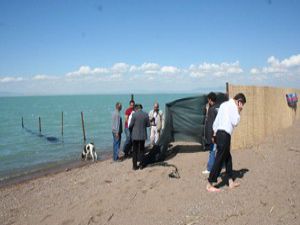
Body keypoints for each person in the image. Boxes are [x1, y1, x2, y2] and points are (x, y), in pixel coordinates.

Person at [206, 93, 246, 192]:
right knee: (220, 158)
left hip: (219, 133)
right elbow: (235, 122)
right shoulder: (233, 106)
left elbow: (216, 121)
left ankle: (230, 181)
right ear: (239, 101)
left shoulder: (223, 105)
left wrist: (214, 134)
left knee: (228, 158)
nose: (242, 106)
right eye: (242, 104)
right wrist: (239, 111)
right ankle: (209, 183)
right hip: (225, 135)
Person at [129, 104, 150, 170]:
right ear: (141, 108)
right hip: (142, 135)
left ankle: (134, 166)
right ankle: (141, 165)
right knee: (141, 150)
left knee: (134, 151)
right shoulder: (146, 114)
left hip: (135, 136)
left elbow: (130, 125)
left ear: (136, 108)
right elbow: (148, 125)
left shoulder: (134, 115)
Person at [202, 92, 218, 174]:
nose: (207, 101)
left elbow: (212, 123)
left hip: (213, 135)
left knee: (212, 150)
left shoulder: (212, 110)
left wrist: (212, 135)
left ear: (210, 99)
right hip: (217, 134)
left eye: (208, 99)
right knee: (215, 151)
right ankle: (215, 166)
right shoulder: (216, 108)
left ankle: (209, 169)